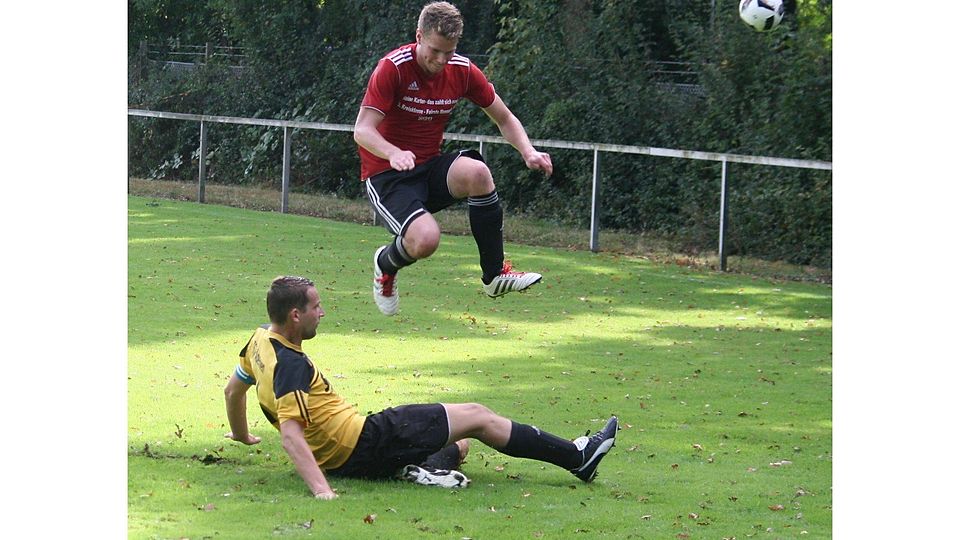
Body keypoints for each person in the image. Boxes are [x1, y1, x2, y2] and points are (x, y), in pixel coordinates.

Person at [224, 276, 618, 499]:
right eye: (316, 307)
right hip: (365, 441)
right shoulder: (291, 366)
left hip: (352, 452)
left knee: (461, 443)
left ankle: (423, 469)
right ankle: (577, 457)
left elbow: (233, 390)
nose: (322, 313)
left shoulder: (260, 341)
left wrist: (242, 435)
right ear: (296, 315)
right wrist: (321, 491)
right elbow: (291, 436)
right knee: (478, 416)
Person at [354, 1, 554, 316]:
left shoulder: (462, 70)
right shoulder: (393, 67)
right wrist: (393, 152)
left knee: (478, 173)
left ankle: (494, 276)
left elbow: (503, 117)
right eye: (434, 50)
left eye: (448, 52)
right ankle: (385, 263)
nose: (441, 60)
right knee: (426, 240)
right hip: (387, 175)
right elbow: (363, 130)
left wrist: (528, 150)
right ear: (418, 36)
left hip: (428, 167)